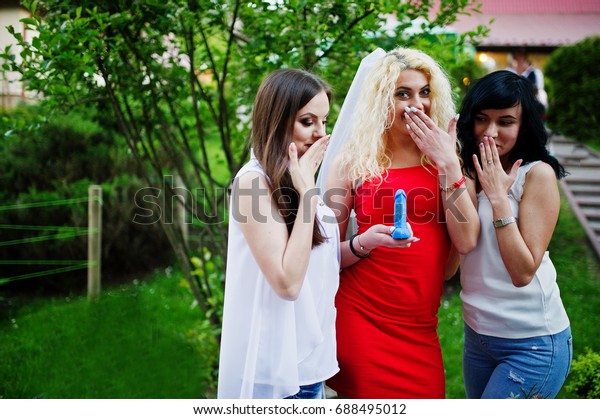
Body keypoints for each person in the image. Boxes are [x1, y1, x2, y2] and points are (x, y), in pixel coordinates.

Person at [322, 47, 479, 398]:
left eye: (425, 92)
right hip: (361, 317)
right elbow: (324, 255)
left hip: (421, 326)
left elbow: (466, 241)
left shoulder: (447, 156)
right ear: (381, 99)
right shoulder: (353, 162)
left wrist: (448, 166)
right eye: (402, 94)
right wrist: (365, 243)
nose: (417, 104)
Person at [217, 68, 340, 399]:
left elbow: (313, 260)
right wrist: (308, 194)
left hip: (310, 367)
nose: (319, 134)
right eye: (307, 121)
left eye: (324, 122)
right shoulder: (253, 184)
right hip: (279, 375)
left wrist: (360, 245)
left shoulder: (296, 174)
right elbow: (287, 283)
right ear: (278, 119)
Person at [457, 70, 572, 399]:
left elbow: (523, 272)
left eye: (505, 121)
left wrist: (497, 200)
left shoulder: (537, 175)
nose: (490, 132)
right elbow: (459, 249)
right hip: (477, 334)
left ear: (524, 126)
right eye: (482, 119)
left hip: (532, 342)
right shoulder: (466, 172)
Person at [507, 48, 548, 112]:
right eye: (517, 57)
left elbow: (538, 88)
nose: (519, 59)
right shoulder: (509, 71)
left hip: (532, 102)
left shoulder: (534, 73)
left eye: (521, 56)